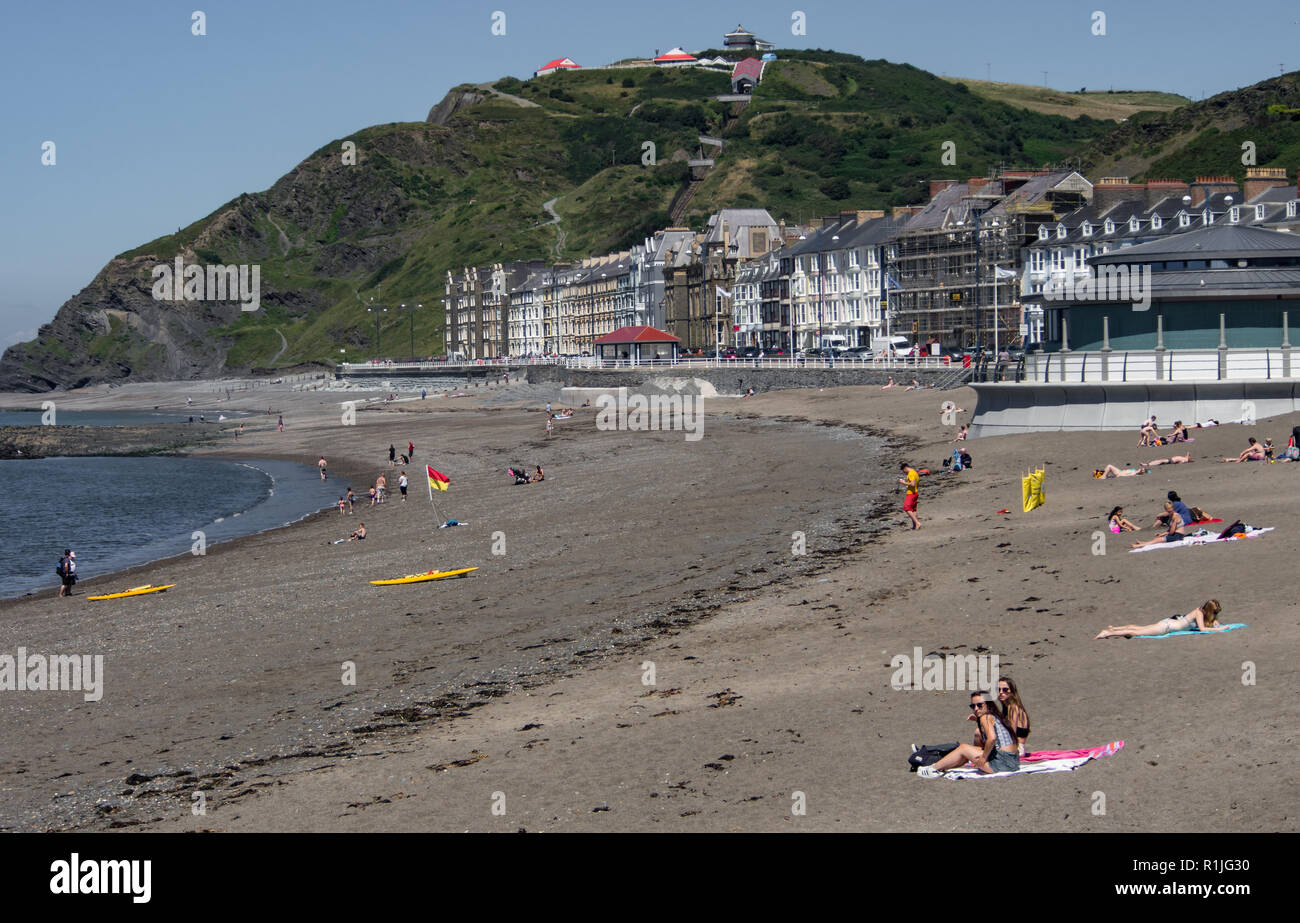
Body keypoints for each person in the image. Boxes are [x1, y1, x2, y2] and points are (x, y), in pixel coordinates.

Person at [917, 691, 1020, 777]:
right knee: (968, 750)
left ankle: (933, 769)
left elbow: (992, 738)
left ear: (988, 704)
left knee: (963, 748)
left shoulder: (986, 717)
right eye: (973, 706)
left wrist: (983, 758)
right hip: (1014, 762)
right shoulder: (996, 716)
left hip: (1002, 763)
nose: (976, 709)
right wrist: (978, 720)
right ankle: (940, 767)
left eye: (980, 705)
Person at [1094, 600, 1227, 639]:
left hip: (1168, 623)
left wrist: (1215, 622)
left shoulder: (1201, 613)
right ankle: (1107, 633)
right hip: (1166, 627)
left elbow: (1209, 623)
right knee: (1136, 632)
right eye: (1214, 612)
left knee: (1138, 628)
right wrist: (1220, 629)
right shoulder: (1199, 613)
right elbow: (1203, 629)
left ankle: (1114, 628)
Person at [995, 677, 1031, 758]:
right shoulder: (1008, 707)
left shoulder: (1013, 707)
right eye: (998, 689)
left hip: (1016, 748)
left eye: (1005, 690)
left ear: (1012, 691)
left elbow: (1011, 733)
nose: (1001, 692)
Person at [898, 461, 920, 530]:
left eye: (904, 471)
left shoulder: (910, 473)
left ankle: (917, 523)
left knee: (906, 508)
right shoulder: (914, 472)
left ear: (905, 468)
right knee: (913, 509)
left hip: (911, 493)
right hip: (915, 492)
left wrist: (903, 482)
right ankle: (915, 525)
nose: (904, 473)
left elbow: (912, 484)